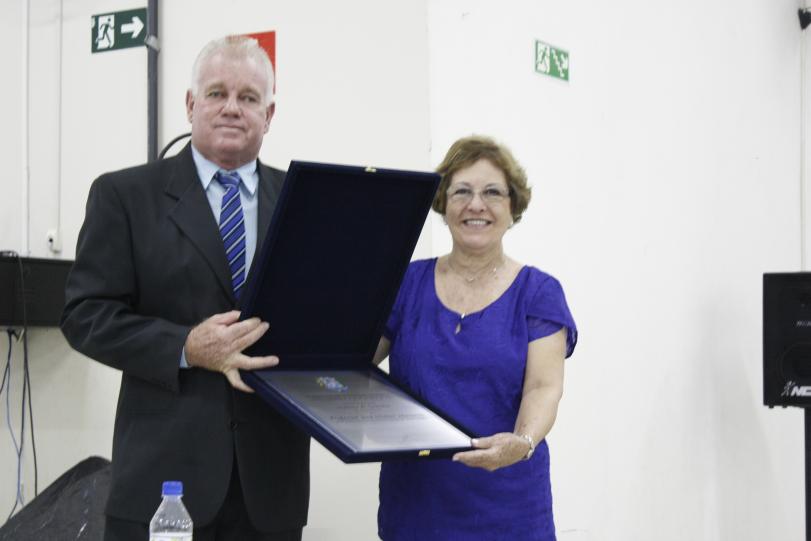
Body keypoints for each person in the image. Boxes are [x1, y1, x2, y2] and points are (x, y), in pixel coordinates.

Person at [61, 36, 309, 541]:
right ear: (191, 104)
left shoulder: (305, 201)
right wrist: (185, 346)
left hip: (270, 488)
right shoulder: (124, 195)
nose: (232, 108)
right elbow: (85, 315)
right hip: (161, 482)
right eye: (217, 93)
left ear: (269, 114)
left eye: (249, 97)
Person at [373, 135, 577, 540]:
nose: (476, 205)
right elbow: (353, 364)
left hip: (509, 507)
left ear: (513, 205)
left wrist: (522, 441)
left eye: (492, 193)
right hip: (416, 507)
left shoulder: (538, 292)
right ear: (443, 203)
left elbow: (543, 387)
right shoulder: (406, 282)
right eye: (462, 191)